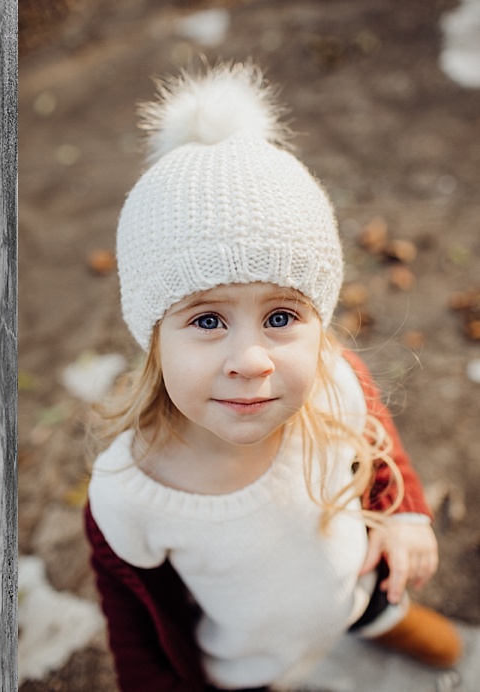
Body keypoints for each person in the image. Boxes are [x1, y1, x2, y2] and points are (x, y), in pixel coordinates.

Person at [84, 63, 463, 691]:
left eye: (282, 315)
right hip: (249, 667)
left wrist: (403, 514)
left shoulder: (334, 383)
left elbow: (380, 445)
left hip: (362, 592)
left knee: (447, 650)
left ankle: (385, 623)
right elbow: (133, 625)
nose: (252, 359)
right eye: (207, 320)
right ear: (153, 337)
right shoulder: (130, 495)